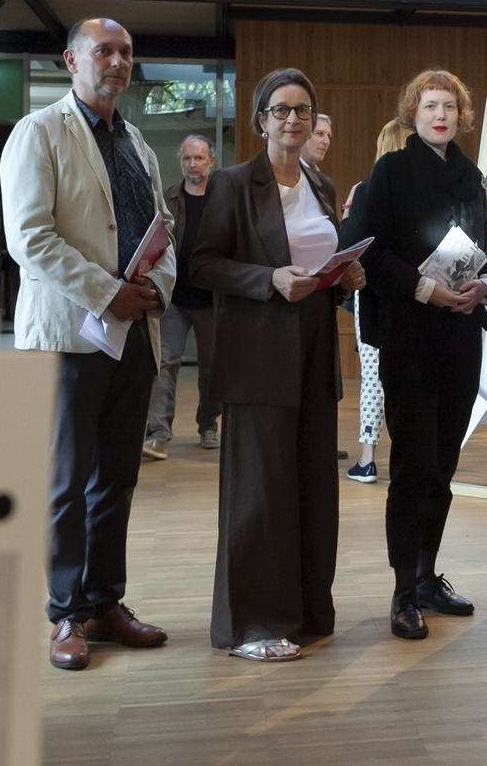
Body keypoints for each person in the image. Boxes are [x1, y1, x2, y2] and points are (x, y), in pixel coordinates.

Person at [1, 17, 175, 672]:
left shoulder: (137, 143)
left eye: (126, 51)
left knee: (117, 479)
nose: (118, 61)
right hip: (68, 335)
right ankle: (66, 612)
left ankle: (104, 602)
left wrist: (156, 286)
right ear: (71, 60)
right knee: (66, 481)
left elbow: (162, 229)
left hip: (133, 335)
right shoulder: (39, 132)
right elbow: (30, 238)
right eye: (104, 50)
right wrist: (107, 293)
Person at [189, 68, 364, 662]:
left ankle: (306, 612)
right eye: (281, 109)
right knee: (259, 493)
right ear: (261, 119)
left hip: (314, 351)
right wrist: (268, 279)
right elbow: (203, 265)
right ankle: (252, 624)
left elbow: (318, 260)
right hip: (259, 354)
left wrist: (344, 275)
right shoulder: (233, 183)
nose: (293, 119)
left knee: (311, 488)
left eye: (303, 110)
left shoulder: (321, 184)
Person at [348, 69, 487, 640]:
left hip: (461, 336)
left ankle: (429, 576)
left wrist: (484, 287)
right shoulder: (391, 171)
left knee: (443, 466)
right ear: (414, 113)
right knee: (412, 467)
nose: (441, 115)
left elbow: (482, 254)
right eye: (431, 106)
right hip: (409, 335)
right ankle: (404, 589)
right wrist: (424, 288)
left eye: (450, 107)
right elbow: (366, 250)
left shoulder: (471, 178)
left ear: (461, 116)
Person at [143, 134, 220, 460]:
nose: (192, 164)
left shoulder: (223, 198)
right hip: (174, 297)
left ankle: (208, 425)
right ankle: (158, 434)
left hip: (213, 299)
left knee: (212, 368)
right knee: (164, 363)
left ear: (211, 161)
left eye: (199, 158)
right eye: (187, 158)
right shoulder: (168, 198)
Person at [343, 118, 403, 484]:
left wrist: (348, 210)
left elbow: (348, 243)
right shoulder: (422, 192)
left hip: (372, 295)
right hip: (418, 294)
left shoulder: (365, 190)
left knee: (372, 377)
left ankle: (367, 459)